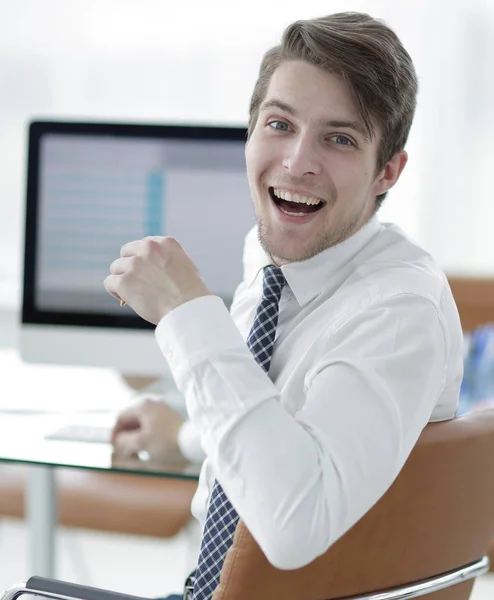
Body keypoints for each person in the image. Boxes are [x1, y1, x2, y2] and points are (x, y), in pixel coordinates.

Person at [104, 11, 463, 599]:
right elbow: (297, 431)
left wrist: (189, 315)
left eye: (340, 138)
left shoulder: (398, 310)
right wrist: (189, 436)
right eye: (279, 124)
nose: (298, 162)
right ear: (249, 135)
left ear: (388, 172)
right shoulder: (275, 263)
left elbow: (294, 526)